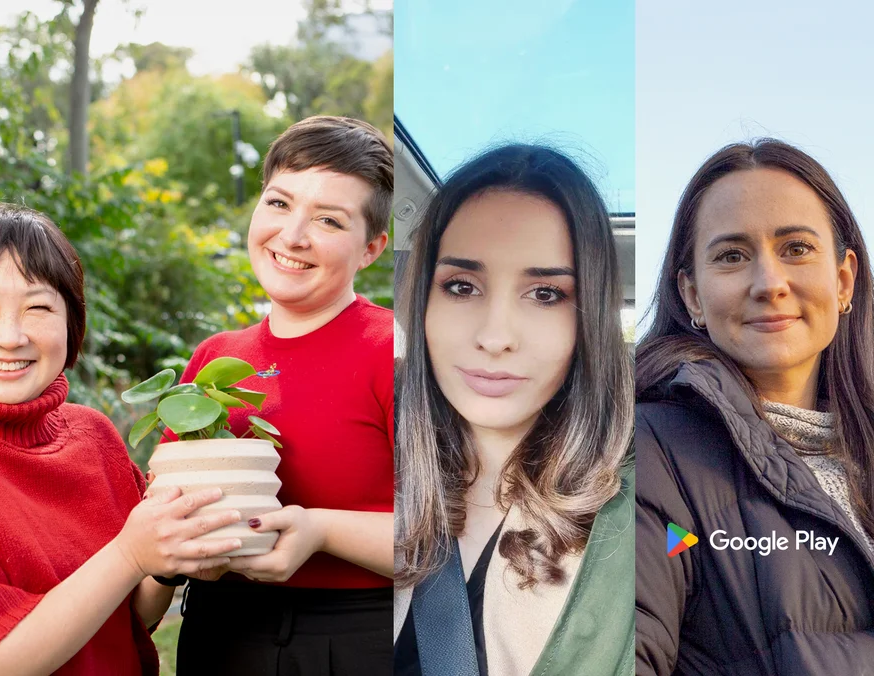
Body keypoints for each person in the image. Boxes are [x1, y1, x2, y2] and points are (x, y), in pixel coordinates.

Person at [0, 203, 241, 675]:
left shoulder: (94, 435)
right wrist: (130, 554)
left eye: (39, 308)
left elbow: (128, 616)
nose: (9, 336)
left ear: (71, 324)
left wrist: (167, 560)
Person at [392, 145, 635, 675]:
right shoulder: (367, 464)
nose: (495, 337)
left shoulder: (648, 508)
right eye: (461, 287)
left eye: (545, 294)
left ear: (588, 317)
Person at [166, 115, 396, 675]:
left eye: (328, 220)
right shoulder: (215, 358)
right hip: (219, 632)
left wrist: (319, 530)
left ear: (372, 248)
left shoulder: (396, 349)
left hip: (359, 637)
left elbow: (457, 533)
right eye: (278, 203)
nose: (292, 236)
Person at [634, 139, 874, 673]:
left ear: (843, 280)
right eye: (732, 256)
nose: (769, 283)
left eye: (796, 249)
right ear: (693, 296)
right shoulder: (648, 450)